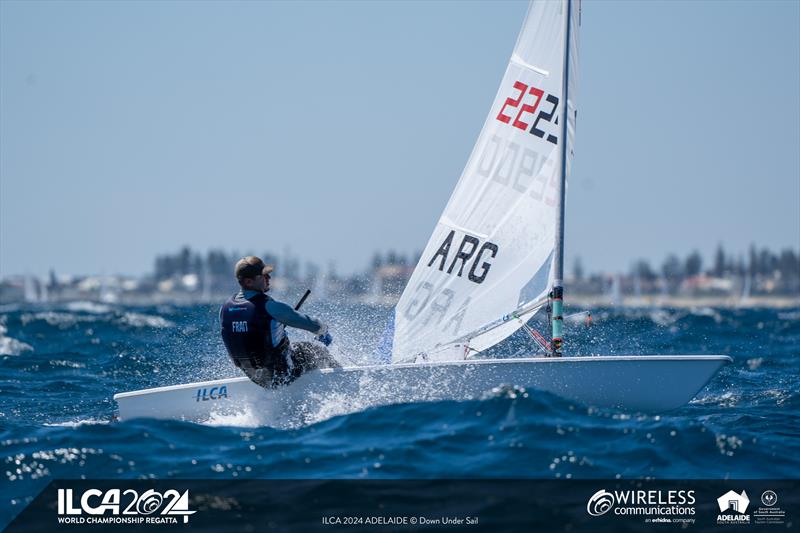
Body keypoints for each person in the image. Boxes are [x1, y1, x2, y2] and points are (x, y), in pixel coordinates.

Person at [219, 256, 339, 388]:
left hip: (256, 378)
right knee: (312, 350)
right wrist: (323, 331)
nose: (269, 278)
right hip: (282, 375)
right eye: (264, 275)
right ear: (248, 282)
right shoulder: (270, 307)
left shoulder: (224, 309)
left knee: (288, 351)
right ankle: (342, 379)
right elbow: (313, 325)